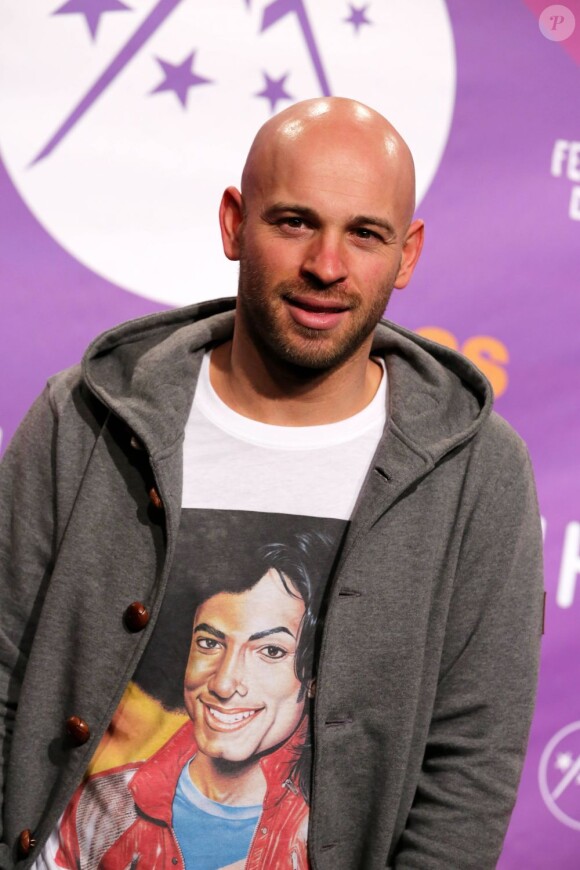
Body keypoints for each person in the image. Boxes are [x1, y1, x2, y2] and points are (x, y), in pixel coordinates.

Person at [0, 97, 544, 870]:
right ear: (234, 223)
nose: (327, 265)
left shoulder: (478, 472)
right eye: (293, 222)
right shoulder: (80, 422)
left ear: (408, 253)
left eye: (365, 233)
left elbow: (470, 767)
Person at [52, 532, 328, 870]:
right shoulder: (103, 805)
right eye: (210, 643)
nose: (224, 683)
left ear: (315, 677)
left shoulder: (331, 826)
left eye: (270, 651)